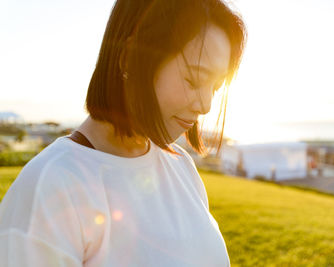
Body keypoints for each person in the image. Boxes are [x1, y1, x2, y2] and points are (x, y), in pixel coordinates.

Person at [0, 0, 246, 266]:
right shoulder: (50, 188)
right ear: (129, 56)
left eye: (217, 86)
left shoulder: (181, 167)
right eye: (193, 80)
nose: (206, 105)